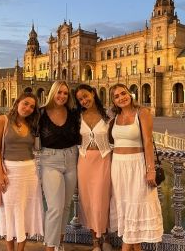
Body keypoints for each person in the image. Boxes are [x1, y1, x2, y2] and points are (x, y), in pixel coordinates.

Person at [109, 83, 163, 251]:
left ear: (130, 94)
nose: (121, 98)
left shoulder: (142, 113)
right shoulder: (114, 118)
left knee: (135, 208)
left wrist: (151, 170)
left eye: (123, 93)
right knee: (126, 209)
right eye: (116, 96)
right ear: (113, 101)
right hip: (118, 167)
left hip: (137, 165)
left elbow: (147, 142)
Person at [0, 92, 44, 251]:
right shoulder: (3, 120)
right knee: (10, 211)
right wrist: (1, 174)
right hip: (10, 171)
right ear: (17, 102)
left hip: (29, 171)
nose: (28, 108)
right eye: (25, 103)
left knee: (26, 212)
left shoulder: (32, 124)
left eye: (32, 106)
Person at [38, 80, 80, 251]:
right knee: (55, 208)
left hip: (71, 159)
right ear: (52, 93)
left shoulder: (73, 112)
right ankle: (50, 247)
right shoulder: (41, 113)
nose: (62, 96)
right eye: (59, 92)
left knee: (66, 206)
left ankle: (59, 244)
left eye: (65, 93)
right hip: (50, 161)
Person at [74, 84, 113, 251]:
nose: (84, 101)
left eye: (85, 96)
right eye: (80, 99)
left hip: (103, 159)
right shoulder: (78, 116)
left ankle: (104, 235)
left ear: (93, 93)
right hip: (84, 161)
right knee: (88, 200)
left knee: (103, 199)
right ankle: (95, 240)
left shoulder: (108, 115)